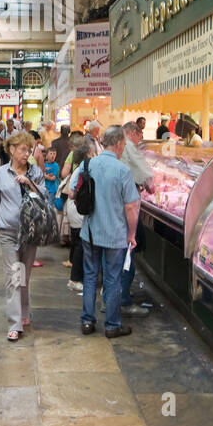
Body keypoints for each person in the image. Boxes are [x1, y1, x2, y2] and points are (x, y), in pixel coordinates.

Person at [80, 126, 140, 339]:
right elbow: (131, 207)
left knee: (89, 276)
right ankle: (112, 326)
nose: (124, 148)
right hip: (115, 234)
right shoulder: (123, 171)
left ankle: (87, 321)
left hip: (90, 232)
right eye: (123, 144)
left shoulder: (87, 164)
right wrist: (132, 234)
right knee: (113, 279)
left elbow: (73, 192)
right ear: (118, 144)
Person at [0, 133, 45, 341]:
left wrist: (29, 183)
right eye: (22, 150)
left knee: (24, 277)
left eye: (29, 150)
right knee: (13, 277)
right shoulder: (2, 172)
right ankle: (14, 323)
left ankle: (24, 312)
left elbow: (44, 195)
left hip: (29, 233)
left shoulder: (35, 172)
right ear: (12, 150)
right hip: (8, 232)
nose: (26, 154)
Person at [119, 122, 154, 317]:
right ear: (133, 132)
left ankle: (117, 295)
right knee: (127, 253)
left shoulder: (120, 147)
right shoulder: (128, 146)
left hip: (115, 211)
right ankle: (123, 300)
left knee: (118, 257)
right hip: (126, 209)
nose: (140, 139)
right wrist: (152, 185)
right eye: (140, 135)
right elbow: (146, 176)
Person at [60, 140, 91, 291]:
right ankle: (75, 279)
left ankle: (76, 277)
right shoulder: (81, 171)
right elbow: (72, 193)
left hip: (74, 212)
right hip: (77, 212)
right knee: (80, 246)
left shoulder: (79, 170)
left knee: (78, 244)